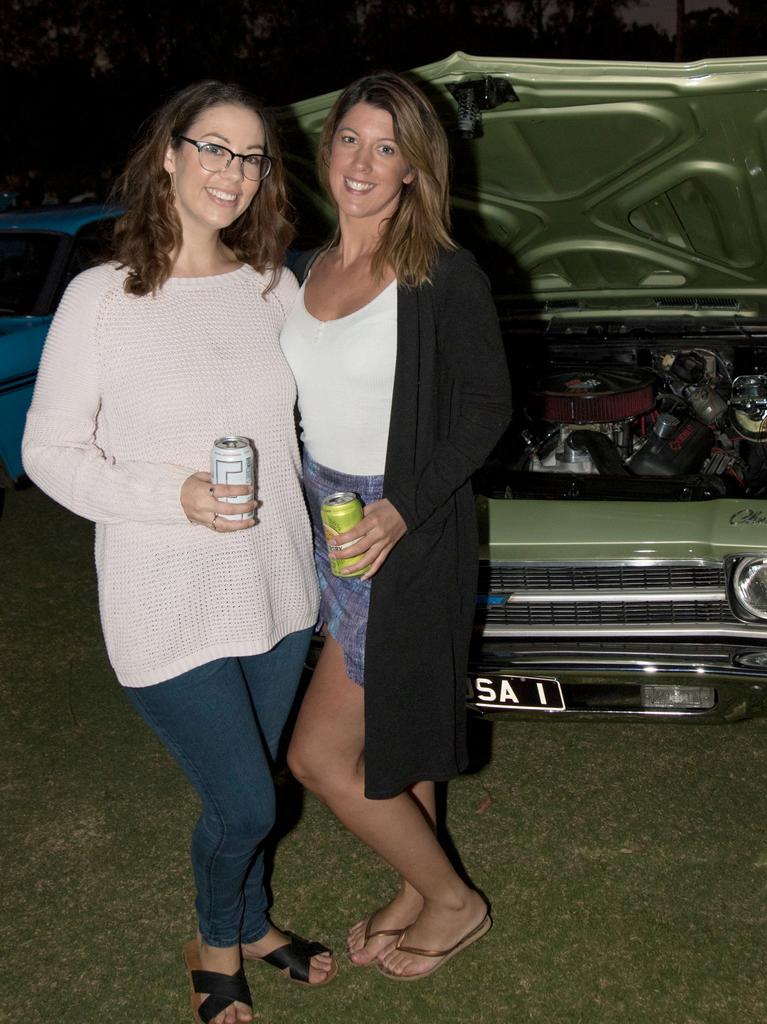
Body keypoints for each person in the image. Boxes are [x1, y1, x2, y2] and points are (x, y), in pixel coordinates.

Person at [22, 81, 337, 1024]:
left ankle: (253, 924)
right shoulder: (104, 297)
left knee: (262, 783)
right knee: (245, 804)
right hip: (165, 597)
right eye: (212, 148)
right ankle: (213, 940)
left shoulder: (275, 285)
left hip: (276, 590)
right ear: (169, 154)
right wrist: (174, 495)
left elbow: (307, 424)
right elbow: (47, 452)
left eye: (250, 158)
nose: (231, 174)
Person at [282, 71, 512, 980]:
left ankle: (456, 902)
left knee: (317, 755)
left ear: (415, 168)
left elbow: (488, 406)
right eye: (351, 140)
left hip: (400, 526)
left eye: (388, 148)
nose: (365, 163)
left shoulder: (441, 273)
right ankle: (420, 887)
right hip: (324, 513)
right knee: (405, 723)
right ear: (327, 145)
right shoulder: (305, 268)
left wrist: (403, 507)